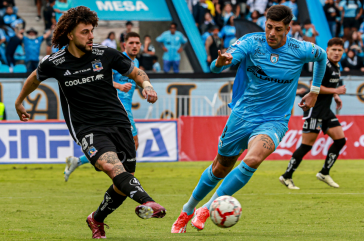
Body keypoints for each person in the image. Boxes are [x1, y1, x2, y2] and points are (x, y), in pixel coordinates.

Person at [171, 5, 327, 233]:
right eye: (268, 27)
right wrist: (220, 63)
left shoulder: (300, 49)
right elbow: (218, 66)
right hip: (243, 116)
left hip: (274, 120)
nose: (271, 33)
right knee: (219, 169)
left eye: (278, 29)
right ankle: (187, 210)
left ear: (288, 29)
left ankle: (206, 208)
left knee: (253, 159)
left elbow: (321, 56)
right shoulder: (251, 42)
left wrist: (314, 90)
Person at [14, 6, 166, 239]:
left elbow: (136, 73)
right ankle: (149, 202)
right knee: (112, 167)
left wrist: (148, 86)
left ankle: (96, 219)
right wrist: (19, 102)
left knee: (123, 182)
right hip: (88, 128)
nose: (91, 36)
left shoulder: (105, 54)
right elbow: (34, 79)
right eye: (85, 32)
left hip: (119, 124)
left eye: (92, 31)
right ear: (70, 35)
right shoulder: (54, 62)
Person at [64, 32, 142, 181]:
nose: (134, 46)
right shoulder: (117, 59)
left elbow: (134, 80)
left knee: (123, 144)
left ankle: (79, 161)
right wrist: (119, 86)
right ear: (124, 44)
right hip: (118, 107)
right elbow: (101, 78)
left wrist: (142, 89)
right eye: (131, 43)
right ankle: (123, 176)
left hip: (126, 107)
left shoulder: (135, 62)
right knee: (133, 142)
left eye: (137, 43)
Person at [279, 38, 347, 189]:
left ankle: (324, 172)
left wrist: (335, 97)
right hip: (315, 111)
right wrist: (336, 91)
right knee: (306, 146)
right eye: (333, 50)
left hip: (326, 111)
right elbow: (313, 86)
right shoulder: (324, 65)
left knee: (340, 140)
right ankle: (286, 176)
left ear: (343, 52)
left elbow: (329, 85)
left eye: (339, 50)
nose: (336, 53)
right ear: (327, 50)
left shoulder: (336, 67)